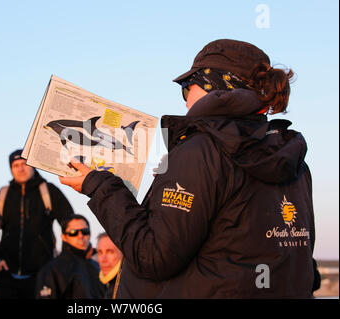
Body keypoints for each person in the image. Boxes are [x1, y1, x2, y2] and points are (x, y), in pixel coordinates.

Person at [59, 39, 318, 298]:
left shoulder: (202, 151)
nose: (185, 102)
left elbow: (153, 257)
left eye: (186, 89)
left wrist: (101, 186)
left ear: (214, 87)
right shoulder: (290, 158)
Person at [0, 149, 74, 299]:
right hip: (7, 275)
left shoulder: (48, 191)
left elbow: (71, 223)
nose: (20, 168)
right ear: (11, 169)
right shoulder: (3, 195)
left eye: (24, 163)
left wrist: (62, 260)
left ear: (33, 165)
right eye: (15, 165)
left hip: (41, 274)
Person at [35, 214, 104, 299]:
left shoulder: (98, 266)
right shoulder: (52, 270)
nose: (80, 236)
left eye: (85, 231)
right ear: (64, 237)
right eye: (73, 233)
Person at [96, 232, 123, 299]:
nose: (103, 259)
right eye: (100, 252)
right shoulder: (100, 284)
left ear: (122, 254)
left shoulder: (126, 287)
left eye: (110, 252)